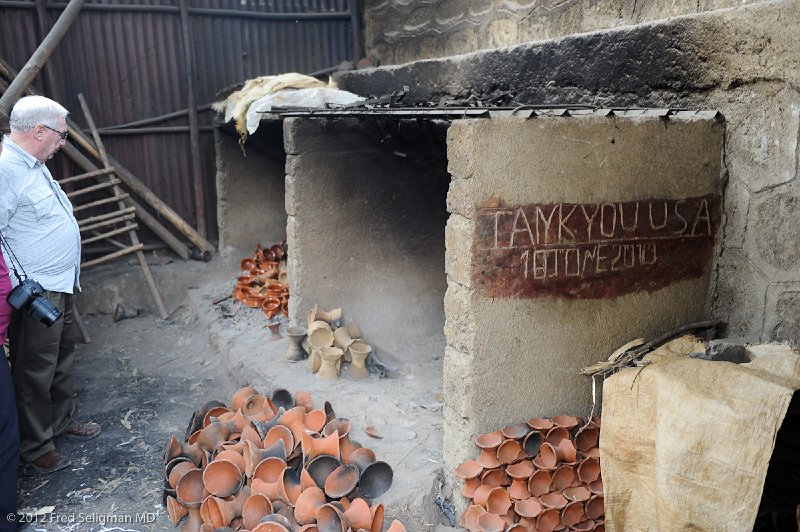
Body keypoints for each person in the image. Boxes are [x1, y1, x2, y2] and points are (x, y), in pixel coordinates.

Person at [0, 95, 100, 476]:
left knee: (61, 356)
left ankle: (58, 424)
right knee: (33, 369)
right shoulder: (6, 169)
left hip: (60, 282)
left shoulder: (33, 163)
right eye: (60, 134)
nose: (63, 142)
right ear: (39, 131)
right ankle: (36, 446)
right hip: (36, 292)